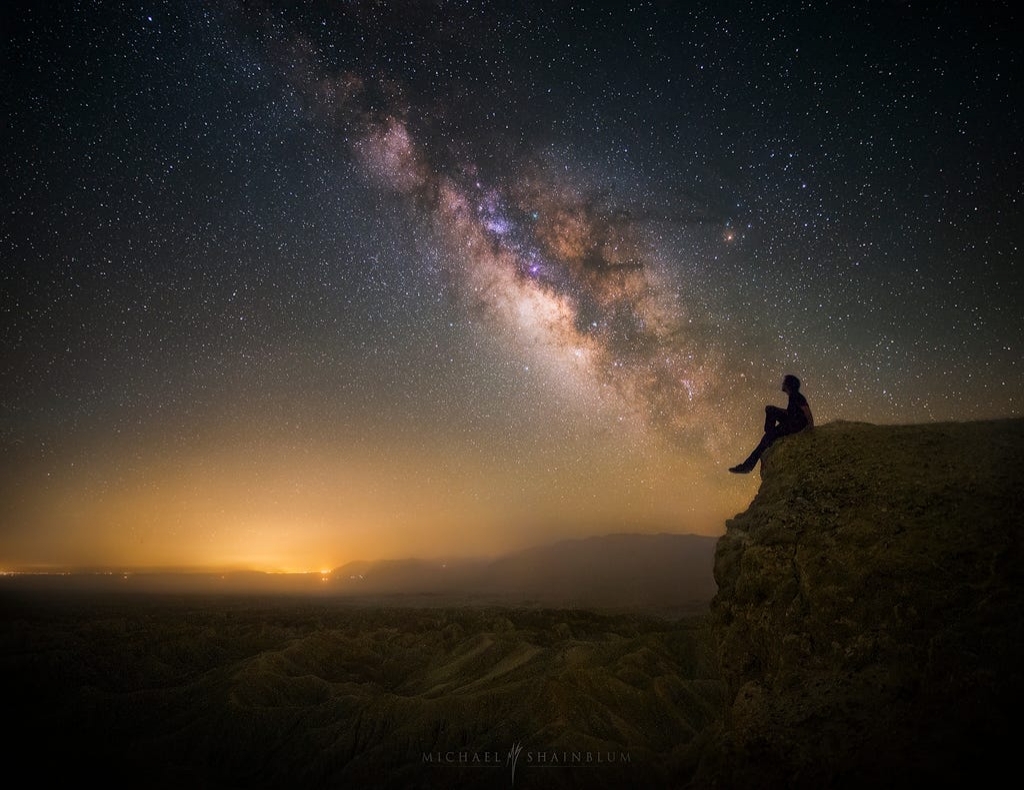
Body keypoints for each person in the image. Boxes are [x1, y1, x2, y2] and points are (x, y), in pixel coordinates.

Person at [729, 374, 813, 473]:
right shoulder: (793, 397)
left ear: (788, 385)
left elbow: (806, 410)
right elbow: (790, 412)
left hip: (794, 425)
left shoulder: (796, 396)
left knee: (766, 438)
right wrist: (777, 409)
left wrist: (811, 426)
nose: (782, 384)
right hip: (792, 422)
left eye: (784, 382)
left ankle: (747, 466)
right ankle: (769, 434)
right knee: (770, 409)